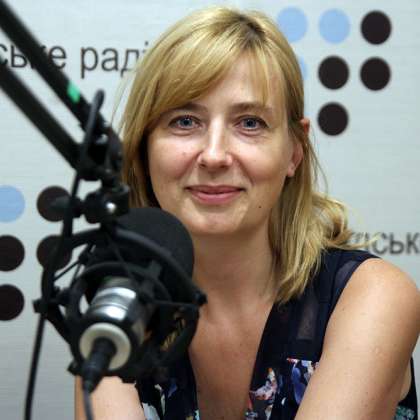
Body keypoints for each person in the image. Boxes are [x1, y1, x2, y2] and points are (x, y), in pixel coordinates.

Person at [75, 6, 419, 420]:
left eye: (250, 123)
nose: (214, 155)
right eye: (185, 121)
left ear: (294, 151)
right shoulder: (117, 304)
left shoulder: (372, 297)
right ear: (145, 148)